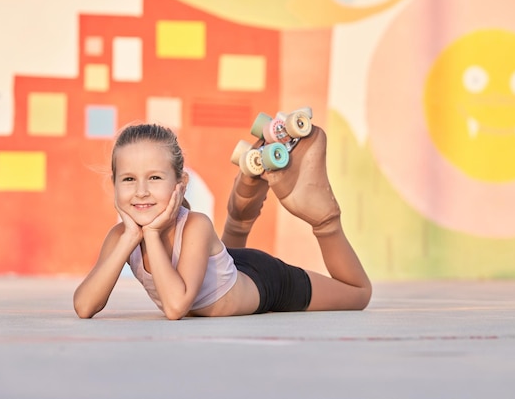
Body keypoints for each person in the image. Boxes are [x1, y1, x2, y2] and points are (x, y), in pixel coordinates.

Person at [73, 122, 372, 320]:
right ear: (114, 184)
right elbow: (85, 306)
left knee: (358, 294)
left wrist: (149, 233)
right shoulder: (119, 238)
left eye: (154, 177)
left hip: (263, 280)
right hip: (227, 266)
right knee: (225, 259)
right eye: (128, 179)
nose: (141, 191)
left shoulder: (195, 226)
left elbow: (177, 307)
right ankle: (241, 211)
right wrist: (128, 239)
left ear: (180, 182)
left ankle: (325, 219)